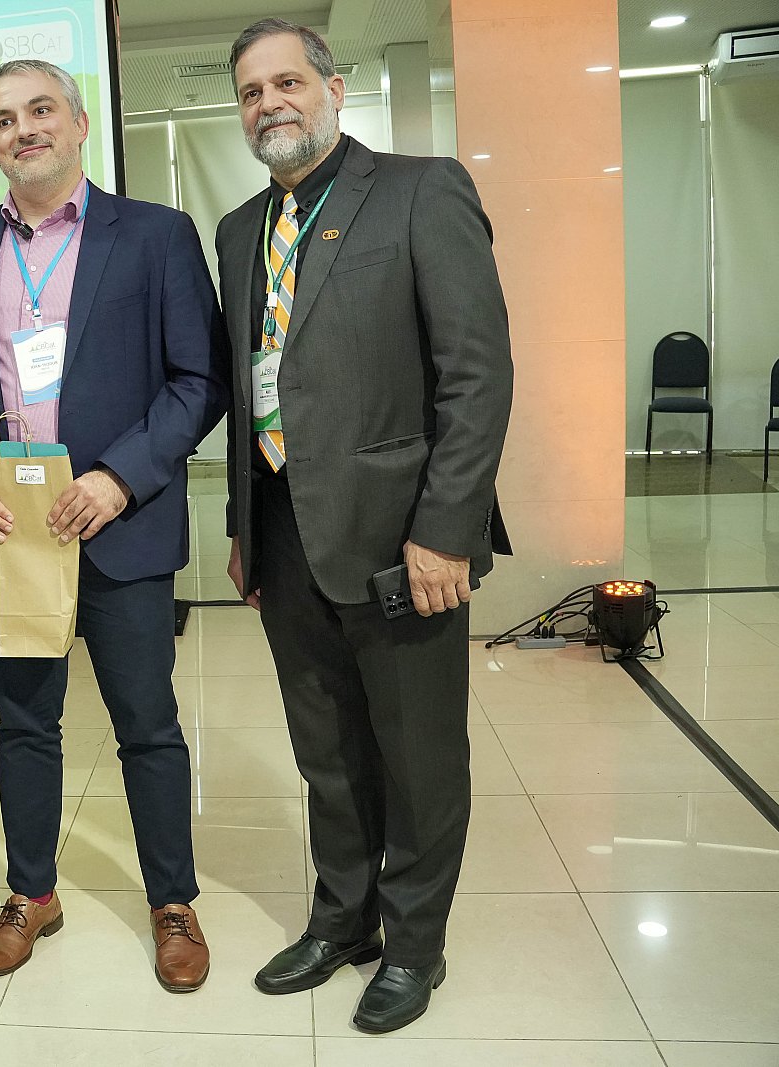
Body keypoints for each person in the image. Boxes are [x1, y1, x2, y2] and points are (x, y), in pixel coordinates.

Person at [217, 18, 513, 1032]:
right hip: (284, 533)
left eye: (286, 82)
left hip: (401, 539)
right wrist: (243, 526)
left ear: (333, 89)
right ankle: (343, 919)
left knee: (417, 757)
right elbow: (251, 387)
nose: (270, 103)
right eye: (251, 92)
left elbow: (477, 376)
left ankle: (415, 944)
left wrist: (446, 528)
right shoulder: (239, 230)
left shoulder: (422, 191)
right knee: (327, 750)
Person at [0, 59, 228, 992]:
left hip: (116, 522)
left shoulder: (156, 235)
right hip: (8, 528)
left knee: (147, 723)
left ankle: (173, 902)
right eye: (3, 119)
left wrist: (119, 477)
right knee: (24, 722)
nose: (24, 129)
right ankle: (32, 893)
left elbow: (199, 380)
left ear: (79, 122)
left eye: (41, 109)